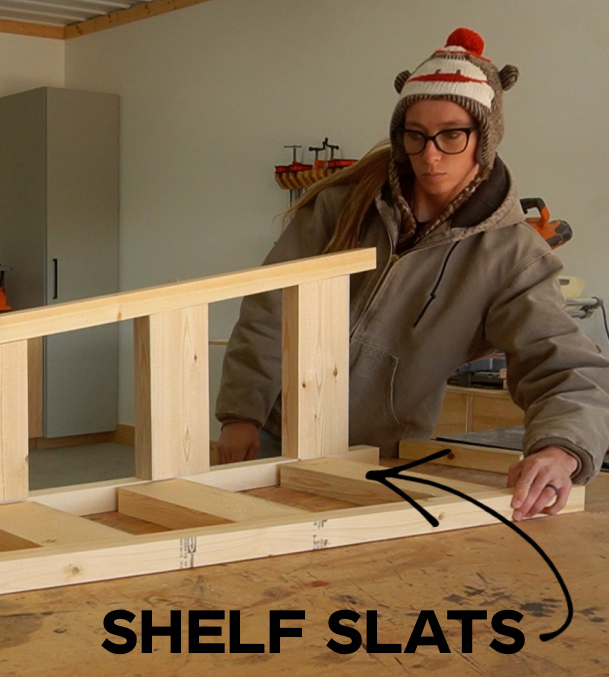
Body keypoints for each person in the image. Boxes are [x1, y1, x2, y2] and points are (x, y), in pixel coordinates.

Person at [214, 28, 609, 520]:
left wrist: (561, 449)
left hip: (383, 457)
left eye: (451, 134)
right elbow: (269, 309)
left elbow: (563, 366)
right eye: (416, 135)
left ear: (482, 139)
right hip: (275, 433)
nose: (430, 154)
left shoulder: (511, 256)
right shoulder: (341, 209)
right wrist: (241, 414)